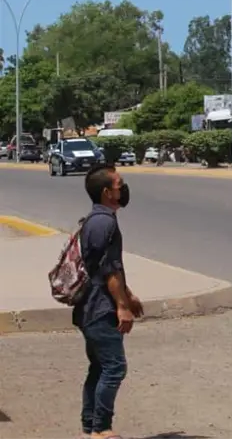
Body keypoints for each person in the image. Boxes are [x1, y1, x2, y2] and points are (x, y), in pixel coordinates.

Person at [75, 164, 143, 439]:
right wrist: (122, 306)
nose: (123, 189)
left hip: (91, 306)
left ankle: (90, 426)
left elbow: (108, 268)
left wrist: (129, 295)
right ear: (107, 193)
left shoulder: (96, 220)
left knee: (100, 366)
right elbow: (109, 271)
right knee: (114, 367)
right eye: (119, 185)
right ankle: (101, 428)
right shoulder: (105, 223)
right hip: (99, 307)